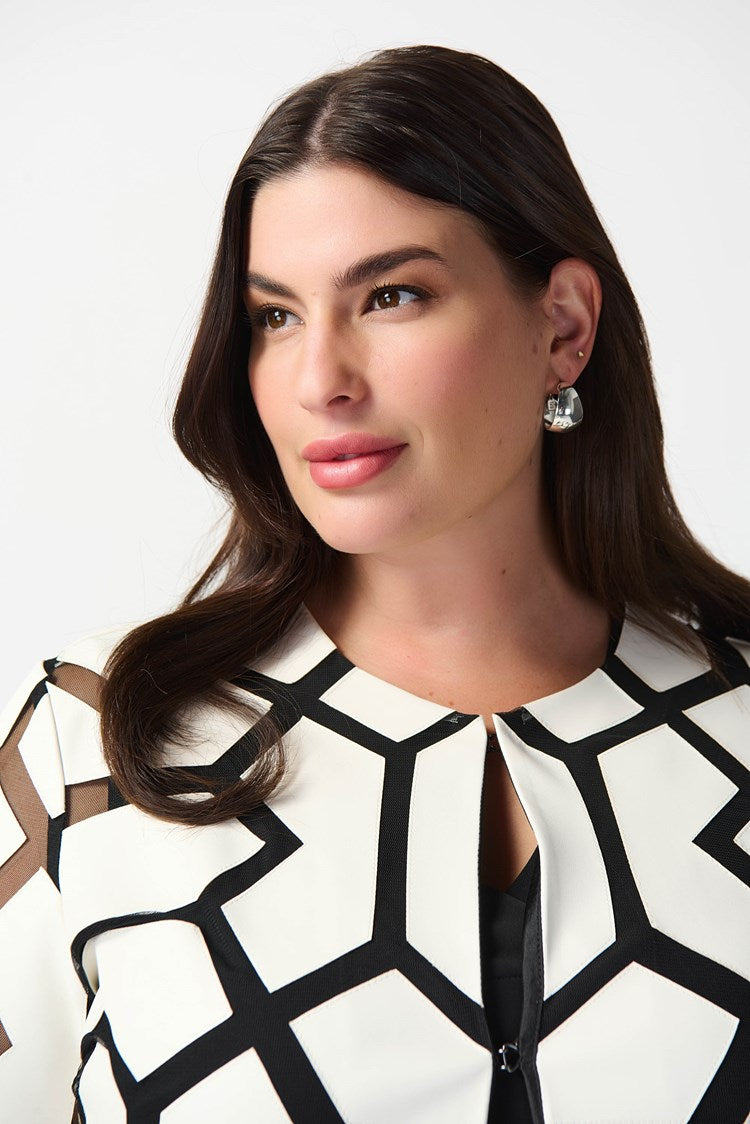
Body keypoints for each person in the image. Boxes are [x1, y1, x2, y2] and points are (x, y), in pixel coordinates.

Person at [1, 43, 749, 1124]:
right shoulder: (101, 743)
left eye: (391, 295)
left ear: (565, 326)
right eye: (274, 316)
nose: (320, 381)